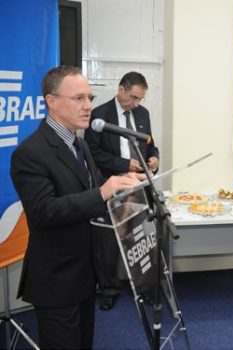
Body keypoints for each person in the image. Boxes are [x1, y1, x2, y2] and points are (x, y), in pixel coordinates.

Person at [10, 65, 144, 349]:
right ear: (52, 101)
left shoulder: (79, 144)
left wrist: (123, 186)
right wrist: (104, 191)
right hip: (56, 279)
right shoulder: (30, 153)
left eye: (90, 98)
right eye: (79, 99)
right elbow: (44, 211)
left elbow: (93, 193)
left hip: (84, 274)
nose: (88, 106)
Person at [84, 71, 159, 311]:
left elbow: (149, 143)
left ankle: (145, 287)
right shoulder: (99, 116)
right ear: (121, 89)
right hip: (111, 185)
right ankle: (108, 289)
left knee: (141, 237)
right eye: (134, 97)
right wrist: (123, 165)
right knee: (108, 243)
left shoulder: (143, 114)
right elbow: (93, 154)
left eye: (140, 99)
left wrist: (155, 157)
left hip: (138, 185)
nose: (136, 103)